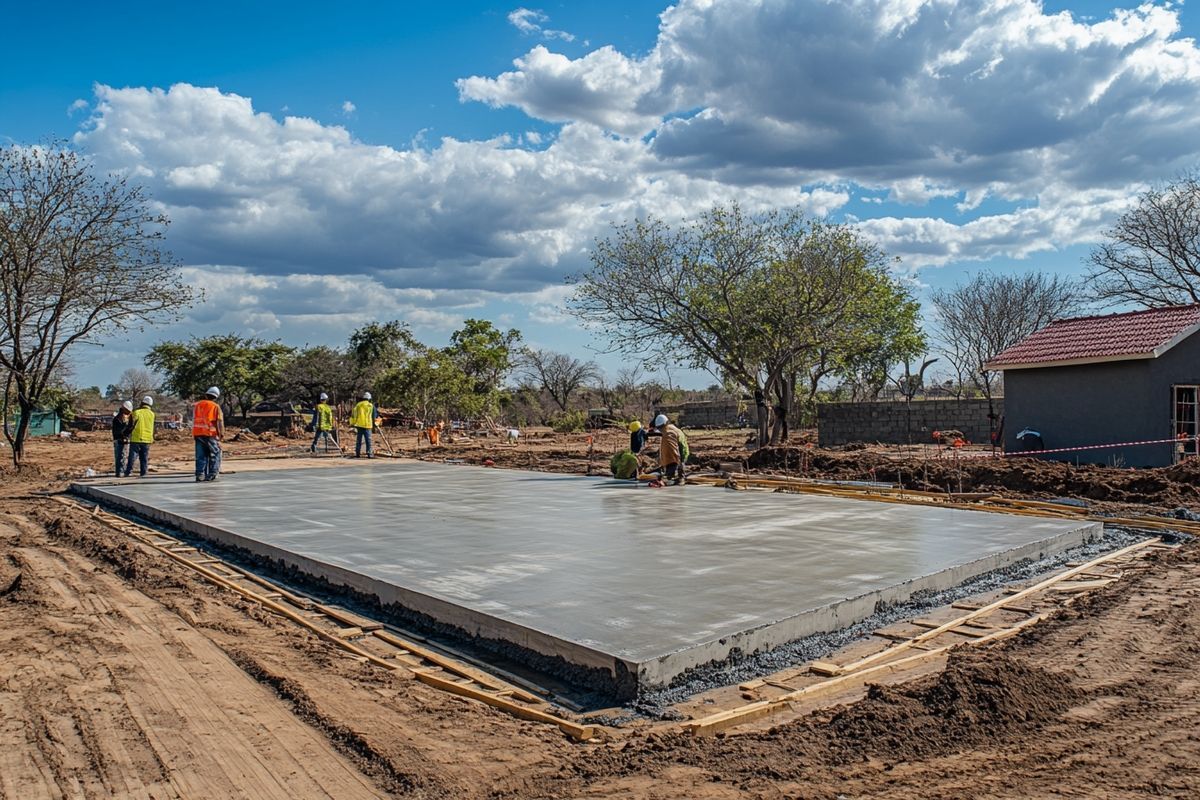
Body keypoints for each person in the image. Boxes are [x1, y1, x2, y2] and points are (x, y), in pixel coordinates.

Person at [193, 386, 225, 482]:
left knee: (200, 455)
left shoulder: (198, 405)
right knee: (215, 453)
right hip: (210, 434)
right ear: (216, 397)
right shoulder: (215, 406)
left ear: (206, 394)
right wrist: (221, 434)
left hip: (198, 433)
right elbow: (219, 422)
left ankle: (200, 474)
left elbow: (194, 418)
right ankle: (212, 473)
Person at [650, 413, 689, 485]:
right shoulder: (671, 428)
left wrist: (669, 472)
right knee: (680, 466)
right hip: (682, 451)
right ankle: (680, 477)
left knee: (678, 467)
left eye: (660, 428)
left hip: (679, 452)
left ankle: (680, 479)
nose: (660, 430)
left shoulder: (669, 433)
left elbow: (673, 454)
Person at [126, 395, 155, 477]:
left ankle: (128, 472)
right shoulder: (152, 414)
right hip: (147, 439)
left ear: (142, 403)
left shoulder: (136, 412)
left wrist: (126, 434)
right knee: (144, 458)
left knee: (132, 457)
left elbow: (130, 425)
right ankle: (143, 473)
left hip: (136, 438)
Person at [350, 391, 378, 458]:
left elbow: (354, 415)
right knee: (368, 441)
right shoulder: (371, 406)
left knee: (358, 440)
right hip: (368, 426)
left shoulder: (358, 405)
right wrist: (375, 425)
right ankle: (369, 454)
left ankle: (357, 453)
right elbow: (374, 416)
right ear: (369, 399)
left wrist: (353, 424)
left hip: (359, 425)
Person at [111, 400, 134, 475]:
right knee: (120, 456)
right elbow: (119, 431)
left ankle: (121, 470)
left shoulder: (126, 418)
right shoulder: (118, 419)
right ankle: (120, 471)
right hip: (119, 440)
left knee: (122, 456)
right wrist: (124, 435)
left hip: (122, 439)